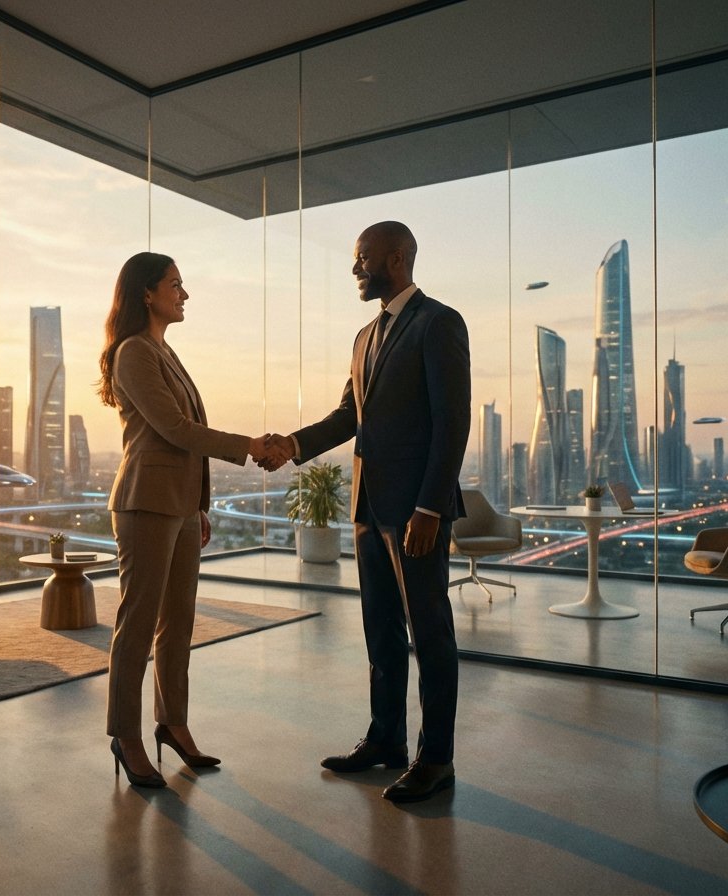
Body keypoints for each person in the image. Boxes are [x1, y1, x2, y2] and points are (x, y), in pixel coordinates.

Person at [262, 221, 470, 803]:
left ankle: (436, 759)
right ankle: (386, 740)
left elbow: (453, 424)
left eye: (363, 258)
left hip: (416, 511)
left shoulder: (439, 323)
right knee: (380, 631)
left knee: (430, 634)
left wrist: (430, 505)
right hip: (367, 506)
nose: (356, 269)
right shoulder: (364, 337)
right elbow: (347, 415)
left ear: (397, 257)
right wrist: (293, 445)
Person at [98, 251, 271, 788]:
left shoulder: (164, 352)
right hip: (145, 503)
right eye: (176, 284)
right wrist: (248, 445)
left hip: (177, 506)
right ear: (147, 293)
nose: (184, 293)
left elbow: (187, 435)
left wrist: (199, 504)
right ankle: (125, 736)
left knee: (179, 622)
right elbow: (174, 429)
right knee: (139, 623)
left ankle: (172, 723)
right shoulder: (133, 352)